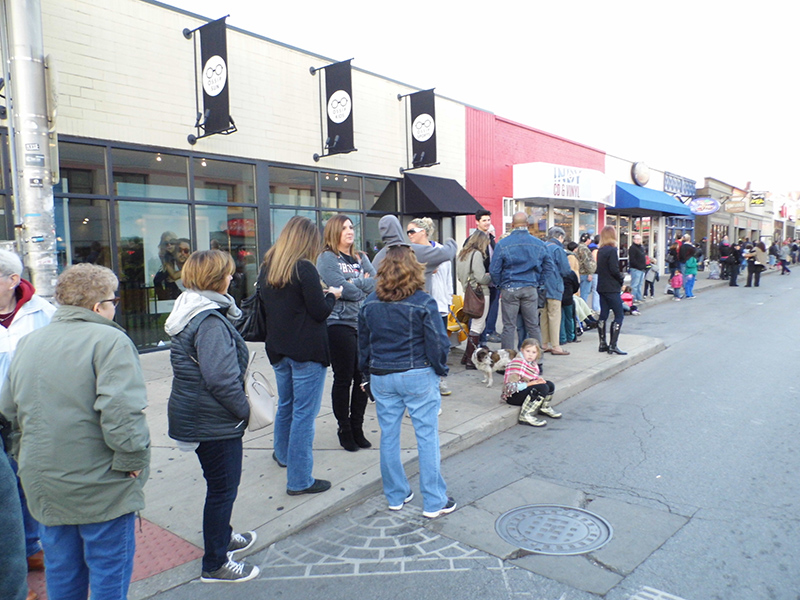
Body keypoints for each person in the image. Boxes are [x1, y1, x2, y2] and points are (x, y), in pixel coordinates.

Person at [0, 264, 150, 600]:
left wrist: (24, 456)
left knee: (62, 569)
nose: (116, 307)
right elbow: (122, 412)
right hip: (102, 482)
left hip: (44, 479)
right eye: (114, 300)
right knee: (108, 574)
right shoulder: (110, 339)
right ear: (99, 307)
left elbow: (9, 412)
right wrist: (133, 459)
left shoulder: (29, 342)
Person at [164, 250, 259, 583]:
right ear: (216, 278)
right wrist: (246, 411)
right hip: (212, 420)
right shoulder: (209, 321)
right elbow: (220, 379)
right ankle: (215, 563)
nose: (232, 277)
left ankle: (223, 536)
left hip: (200, 415)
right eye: (228, 273)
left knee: (219, 486)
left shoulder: (191, 308)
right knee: (222, 490)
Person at [358, 245, 455, 519]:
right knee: (426, 436)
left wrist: (366, 376)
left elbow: (363, 345)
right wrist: (439, 370)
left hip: (382, 375)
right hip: (417, 373)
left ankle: (396, 495)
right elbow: (438, 343)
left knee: (388, 437)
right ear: (415, 270)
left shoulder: (369, 303)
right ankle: (434, 501)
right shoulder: (423, 302)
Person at [259, 216, 341, 495]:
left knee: (287, 405)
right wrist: (333, 295)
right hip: (306, 351)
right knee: (304, 415)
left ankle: (282, 454)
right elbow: (319, 311)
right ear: (308, 240)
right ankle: (299, 480)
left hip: (278, 349)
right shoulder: (304, 269)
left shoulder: (269, 267)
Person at [0, 250, 56, 581]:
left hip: (25, 412)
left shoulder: (41, 312)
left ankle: (29, 548)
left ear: (12, 281)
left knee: (23, 481)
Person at [316, 215, 376, 452]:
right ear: (333, 232)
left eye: (351, 227)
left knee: (362, 377)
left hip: (362, 323)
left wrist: (352, 284)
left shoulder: (361, 257)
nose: (349, 231)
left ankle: (358, 427)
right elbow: (349, 290)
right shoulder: (327, 258)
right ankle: (344, 428)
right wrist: (361, 282)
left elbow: (375, 284)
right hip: (339, 323)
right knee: (343, 378)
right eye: (343, 228)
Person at [489, 212, 554, 352]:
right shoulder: (539, 244)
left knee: (509, 326)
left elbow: (494, 270)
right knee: (533, 326)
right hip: (530, 287)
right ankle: (537, 361)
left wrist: (501, 284)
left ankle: (507, 361)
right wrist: (539, 283)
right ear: (528, 225)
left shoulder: (502, 244)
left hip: (510, 287)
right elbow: (549, 267)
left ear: (512, 225)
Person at [407, 217, 454, 396]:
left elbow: (448, 277)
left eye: (412, 231)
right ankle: (422, 379)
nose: (409, 235)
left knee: (440, 343)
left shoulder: (440, 251)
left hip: (438, 304)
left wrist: (449, 301)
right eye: (408, 232)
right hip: (418, 305)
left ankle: (440, 377)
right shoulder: (409, 252)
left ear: (423, 232)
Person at [371, 215, 456, 293]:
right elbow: (447, 253)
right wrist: (450, 241)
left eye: (412, 232)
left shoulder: (378, 259)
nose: (409, 235)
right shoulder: (416, 251)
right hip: (420, 305)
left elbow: (373, 285)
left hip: (388, 306)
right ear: (398, 228)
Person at [501, 338, 559, 427]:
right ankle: (525, 415)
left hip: (523, 391)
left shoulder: (532, 364)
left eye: (534, 352)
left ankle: (544, 407)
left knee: (549, 384)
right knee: (542, 388)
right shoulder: (517, 363)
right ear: (522, 350)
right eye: (528, 351)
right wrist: (532, 383)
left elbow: (531, 378)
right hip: (513, 396)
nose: (530, 355)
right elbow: (510, 387)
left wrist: (538, 380)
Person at [456, 230, 492, 370]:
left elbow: (460, 276)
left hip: (468, 292)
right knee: (478, 326)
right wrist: (491, 276)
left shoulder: (462, 254)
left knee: (475, 325)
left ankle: (466, 356)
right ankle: (471, 360)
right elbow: (481, 278)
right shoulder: (476, 254)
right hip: (480, 293)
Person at [541, 226, 572, 356]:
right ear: (560, 237)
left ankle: (544, 344)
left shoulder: (541, 246)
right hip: (554, 286)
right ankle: (556, 346)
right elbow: (566, 270)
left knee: (543, 316)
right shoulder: (558, 249)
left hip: (541, 287)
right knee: (554, 316)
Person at [471, 209, 501, 344]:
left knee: (488, 313)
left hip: (492, 281)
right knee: (478, 314)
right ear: (477, 222)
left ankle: (484, 341)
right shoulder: (473, 240)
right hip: (480, 282)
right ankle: (477, 344)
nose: (487, 223)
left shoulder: (491, 239)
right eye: (484, 220)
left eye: (488, 220)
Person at [596, 225, 626, 355]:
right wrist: (621, 278)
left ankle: (602, 343)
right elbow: (614, 269)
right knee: (619, 315)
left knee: (604, 314)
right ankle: (613, 345)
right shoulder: (612, 250)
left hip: (602, 286)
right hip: (612, 287)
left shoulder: (601, 251)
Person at [576, 233, 596, 303]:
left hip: (578, 272)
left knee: (577, 295)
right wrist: (590, 273)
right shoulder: (584, 248)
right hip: (585, 273)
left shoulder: (577, 247)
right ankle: (583, 311)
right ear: (588, 240)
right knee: (584, 294)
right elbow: (586, 261)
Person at [628, 234, 646, 303]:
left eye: (639, 239)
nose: (638, 240)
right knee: (634, 285)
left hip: (642, 269)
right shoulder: (632, 248)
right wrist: (638, 266)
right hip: (636, 269)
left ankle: (639, 297)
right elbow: (632, 260)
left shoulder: (641, 247)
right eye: (637, 239)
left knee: (640, 284)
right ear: (634, 240)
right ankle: (633, 298)